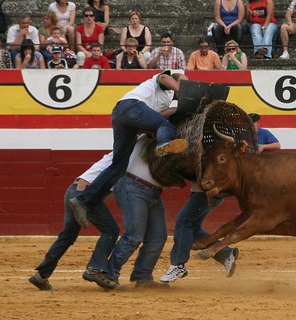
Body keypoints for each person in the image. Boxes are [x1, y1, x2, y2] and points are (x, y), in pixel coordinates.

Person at [68, 71, 189, 229]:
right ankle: (163, 145)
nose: (185, 88)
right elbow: (164, 78)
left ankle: (83, 200)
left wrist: (176, 109)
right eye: (183, 84)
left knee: (118, 167)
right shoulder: (165, 82)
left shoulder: (165, 99)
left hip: (123, 116)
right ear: (176, 82)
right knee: (166, 126)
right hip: (131, 107)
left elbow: (155, 116)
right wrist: (181, 90)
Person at [28, 152, 120, 291]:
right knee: (111, 230)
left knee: (67, 236)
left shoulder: (120, 152)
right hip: (86, 195)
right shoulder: (126, 155)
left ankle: (41, 275)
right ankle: (95, 269)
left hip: (74, 190)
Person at [89, 134, 169, 289]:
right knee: (134, 235)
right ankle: (108, 275)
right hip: (132, 186)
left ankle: (143, 277)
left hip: (155, 192)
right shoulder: (147, 133)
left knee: (158, 237)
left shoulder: (172, 139)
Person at [159, 186, 239, 283]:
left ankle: (178, 264)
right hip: (205, 191)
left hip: (206, 191)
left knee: (184, 221)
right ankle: (225, 254)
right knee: (192, 228)